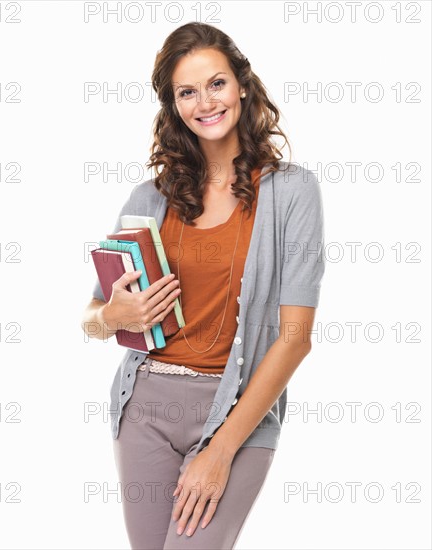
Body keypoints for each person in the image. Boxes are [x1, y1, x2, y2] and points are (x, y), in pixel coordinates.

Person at [81, 22, 325, 550]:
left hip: (234, 415)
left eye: (216, 83)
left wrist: (219, 451)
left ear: (241, 84)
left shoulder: (293, 192)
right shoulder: (152, 197)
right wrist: (111, 319)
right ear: (173, 106)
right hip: (144, 407)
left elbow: (295, 337)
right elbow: (95, 310)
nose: (204, 102)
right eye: (186, 92)